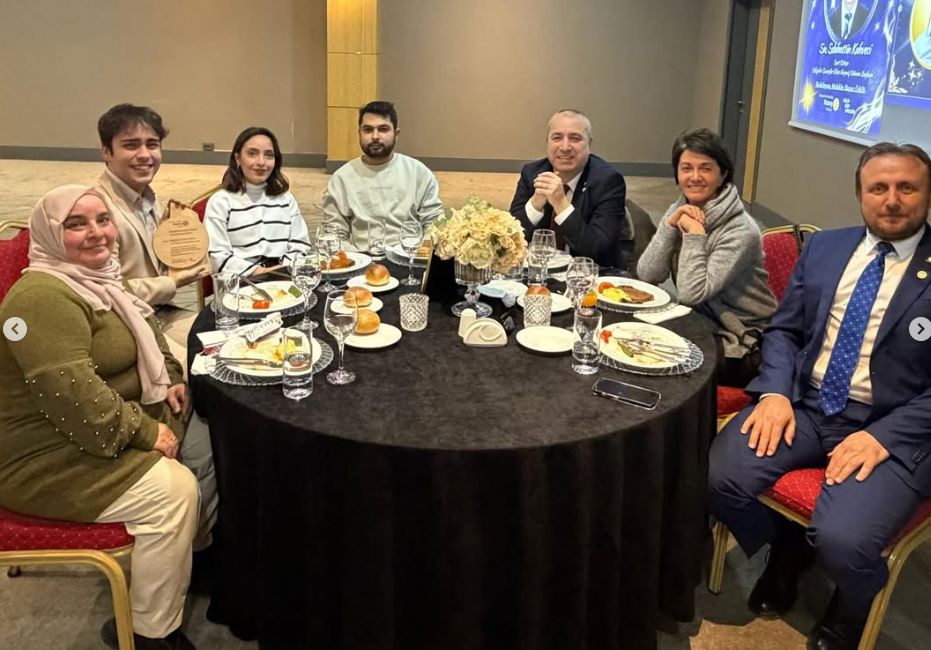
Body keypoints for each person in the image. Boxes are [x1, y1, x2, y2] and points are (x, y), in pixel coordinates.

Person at [708, 142, 931, 650]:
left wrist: (885, 436)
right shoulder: (827, 248)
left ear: (927, 193)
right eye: (878, 188)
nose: (891, 200)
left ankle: (852, 600)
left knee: (844, 540)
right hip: (809, 406)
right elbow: (785, 331)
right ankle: (788, 548)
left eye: (907, 187)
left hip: (894, 427)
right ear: (859, 193)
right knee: (719, 478)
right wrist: (774, 393)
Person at [0, 186, 211, 650]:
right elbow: (71, 395)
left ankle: (190, 558)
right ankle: (149, 632)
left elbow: (150, 335)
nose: (96, 233)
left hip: (101, 422)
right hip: (49, 453)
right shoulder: (39, 300)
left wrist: (172, 379)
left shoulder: (102, 280)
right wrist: (145, 431)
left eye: (102, 220)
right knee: (171, 492)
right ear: (49, 235)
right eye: (76, 225)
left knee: (212, 434)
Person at [637, 128, 777, 387]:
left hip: (746, 339)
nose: (695, 177)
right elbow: (648, 274)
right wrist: (669, 226)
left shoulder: (741, 231)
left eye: (705, 169)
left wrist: (695, 235)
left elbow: (692, 293)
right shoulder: (682, 208)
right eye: (686, 168)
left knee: (658, 357)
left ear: (723, 174)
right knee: (633, 338)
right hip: (701, 321)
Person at [95, 103, 209, 363]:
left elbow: (152, 264)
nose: (144, 154)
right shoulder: (97, 211)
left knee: (227, 345)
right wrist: (173, 281)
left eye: (152, 144)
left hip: (157, 312)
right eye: (131, 145)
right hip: (122, 324)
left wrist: (173, 240)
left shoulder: (148, 198)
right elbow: (105, 292)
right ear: (106, 152)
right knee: (201, 368)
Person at [509, 109, 629, 269]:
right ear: (547, 143)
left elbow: (596, 248)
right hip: (536, 272)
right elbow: (510, 239)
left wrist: (561, 204)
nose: (565, 147)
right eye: (557, 138)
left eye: (575, 138)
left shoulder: (608, 181)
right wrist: (535, 204)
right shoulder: (532, 173)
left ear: (589, 144)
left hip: (589, 274)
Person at [322, 101, 443, 252]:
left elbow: (434, 225)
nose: (375, 136)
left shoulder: (419, 173)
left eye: (383, 129)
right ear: (359, 133)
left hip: (409, 256)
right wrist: (358, 259)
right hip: (362, 259)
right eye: (368, 130)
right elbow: (334, 235)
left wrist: (418, 253)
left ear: (396, 134)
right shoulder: (341, 178)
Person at [204, 127, 311, 275]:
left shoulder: (286, 199)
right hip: (241, 281)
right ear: (237, 158)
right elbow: (218, 257)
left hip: (286, 276)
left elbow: (300, 245)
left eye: (269, 155)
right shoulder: (221, 202)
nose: (261, 162)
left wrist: (283, 270)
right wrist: (263, 273)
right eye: (252, 154)